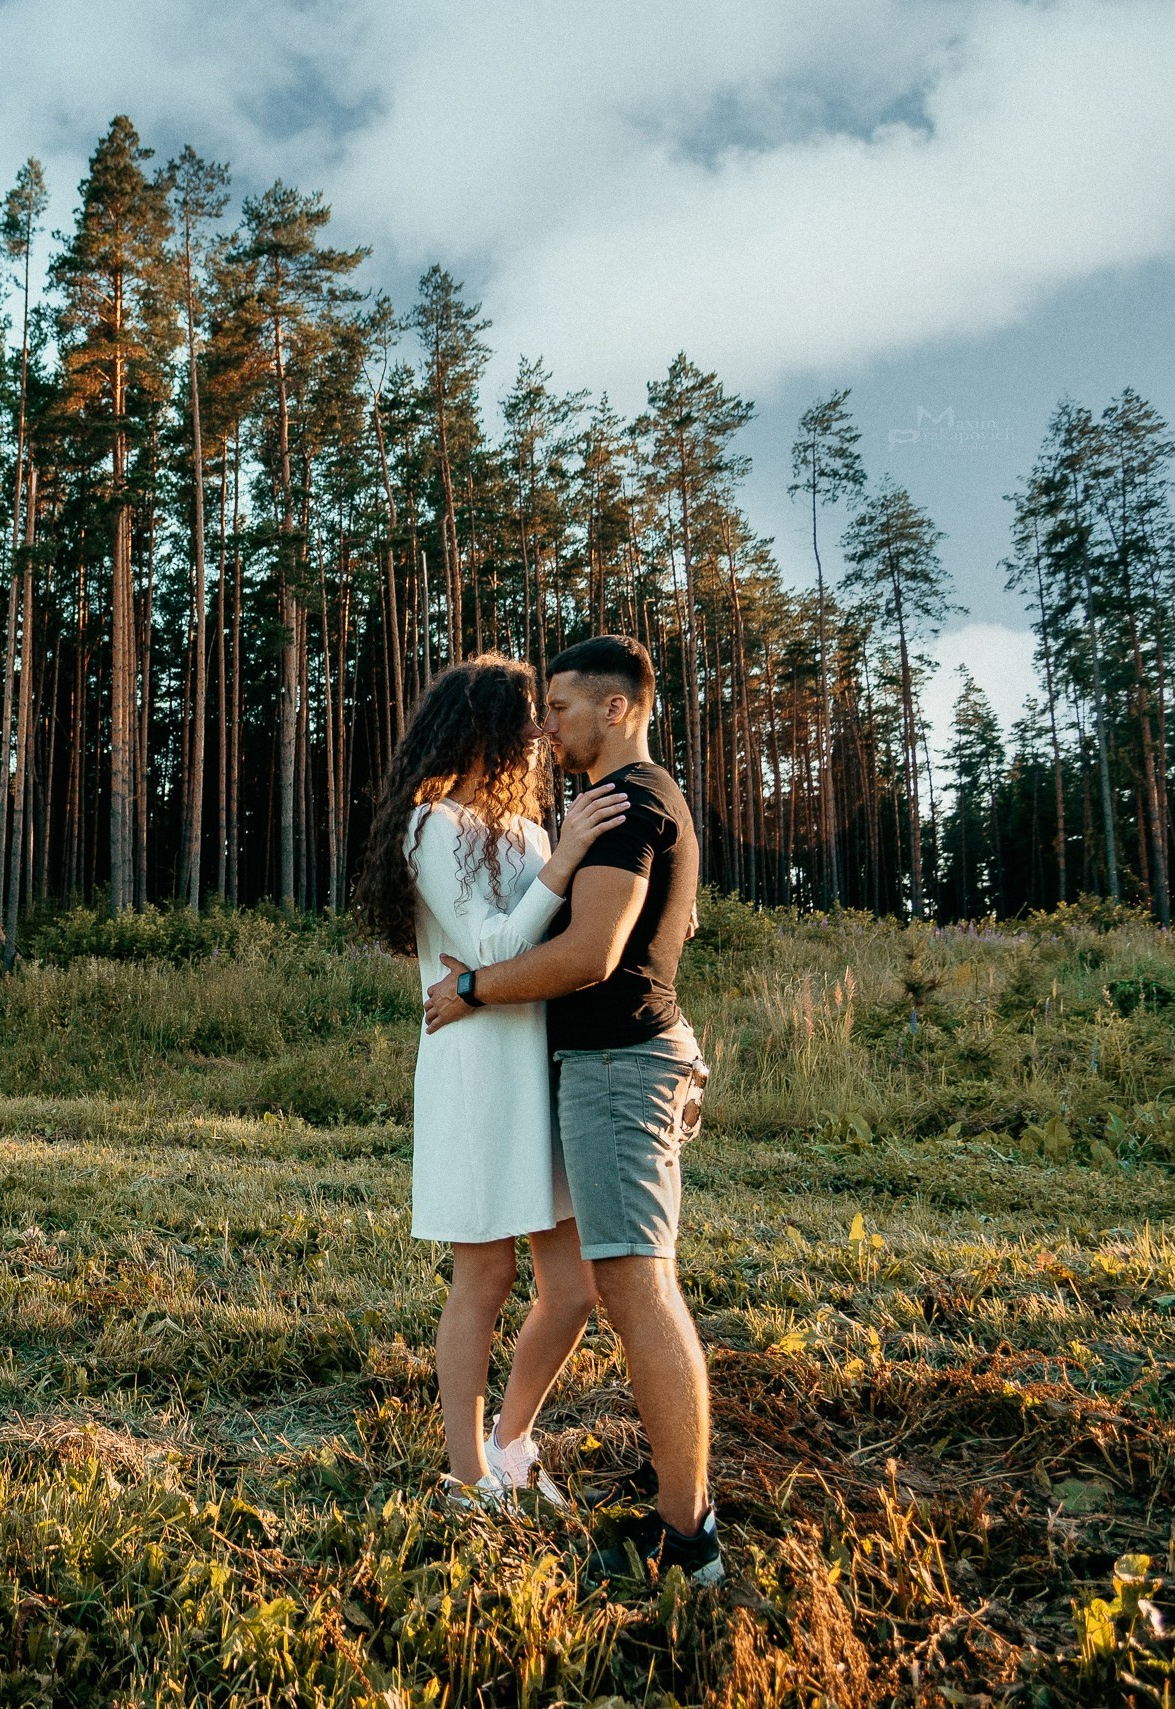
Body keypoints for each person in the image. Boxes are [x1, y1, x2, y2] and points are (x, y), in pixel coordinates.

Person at [421, 634, 722, 1587]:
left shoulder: (615, 808)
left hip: (604, 1065)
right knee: (565, 1281)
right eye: (534, 712)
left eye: (558, 709)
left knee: (622, 1287)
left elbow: (595, 953)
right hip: (557, 1066)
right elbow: (569, 936)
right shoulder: (599, 811)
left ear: (618, 708)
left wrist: (475, 984)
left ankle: (675, 1530)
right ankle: (490, 1467)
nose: (546, 728)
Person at [354, 654, 629, 1509]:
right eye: (530, 719)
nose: (544, 734)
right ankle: (468, 1474)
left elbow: (561, 943)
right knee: (487, 1278)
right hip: (474, 1073)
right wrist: (570, 853)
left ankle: (512, 1443)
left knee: (574, 1287)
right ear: (490, 729)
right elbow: (496, 949)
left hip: (542, 1067)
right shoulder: (429, 825)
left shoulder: (533, 834)